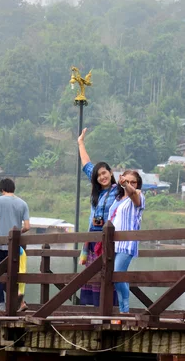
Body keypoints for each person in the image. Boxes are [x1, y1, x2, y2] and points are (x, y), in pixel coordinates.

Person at [77, 127, 119, 306]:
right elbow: (86, 163)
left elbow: (135, 193)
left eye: (105, 173)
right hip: (93, 237)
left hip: (109, 240)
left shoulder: (119, 191)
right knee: (93, 276)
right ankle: (95, 308)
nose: (102, 177)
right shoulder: (96, 190)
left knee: (108, 273)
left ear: (110, 173)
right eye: (99, 174)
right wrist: (80, 142)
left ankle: (110, 310)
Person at [0, 178, 30, 311]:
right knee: (13, 276)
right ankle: (21, 302)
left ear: (2, 189)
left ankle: (0, 305)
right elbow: (27, 226)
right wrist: (17, 232)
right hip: (15, 248)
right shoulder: (23, 203)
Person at [108, 170, 145, 320]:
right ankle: (122, 313)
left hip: (126, 243)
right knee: (115, 277)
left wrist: (126, 185)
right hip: (113, 244)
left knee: (117, 274)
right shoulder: (117, 199)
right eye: (127, 181)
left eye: (133, 182)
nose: (130, 184)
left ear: (138, 184)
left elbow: (133, 195)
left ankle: (124, 313)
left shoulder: (138, 196)